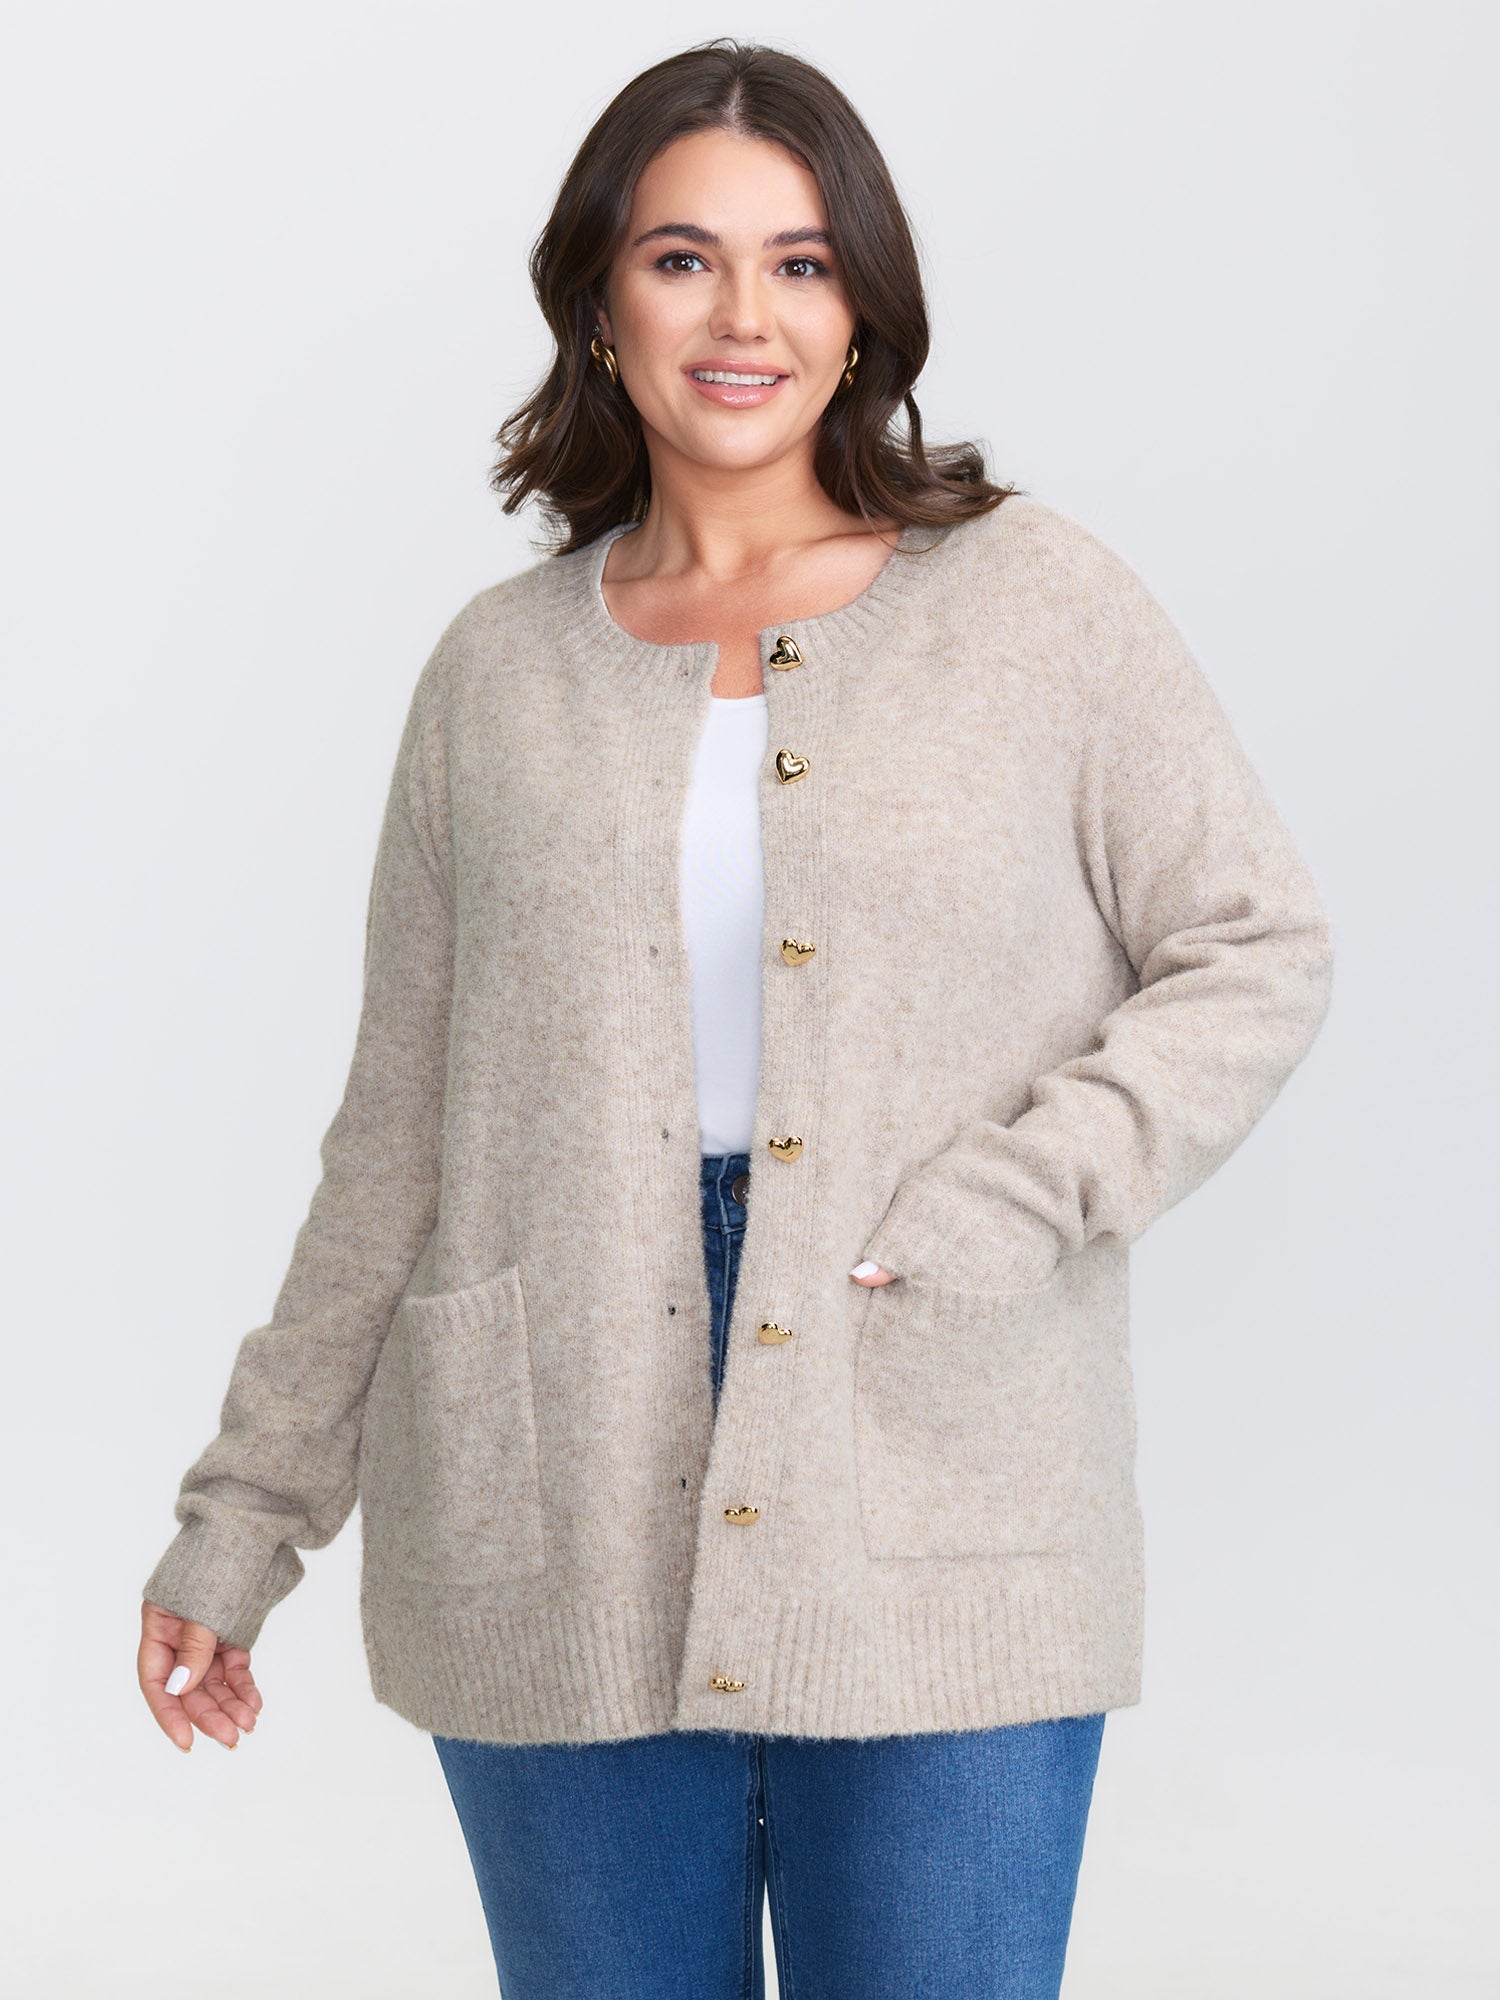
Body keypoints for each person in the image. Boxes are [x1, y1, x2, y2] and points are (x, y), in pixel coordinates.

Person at [136, 38, 1334, 2000]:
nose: (743, 316)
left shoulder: (1037, 607)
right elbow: (396, 1128)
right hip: (551, 1486)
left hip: (937, 1455)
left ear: (862, 310)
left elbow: (1256, 944)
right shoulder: (495, 676)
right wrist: (242, 1521)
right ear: (601, 303)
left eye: (800, 262)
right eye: (683, 258)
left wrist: (1017, 1193)